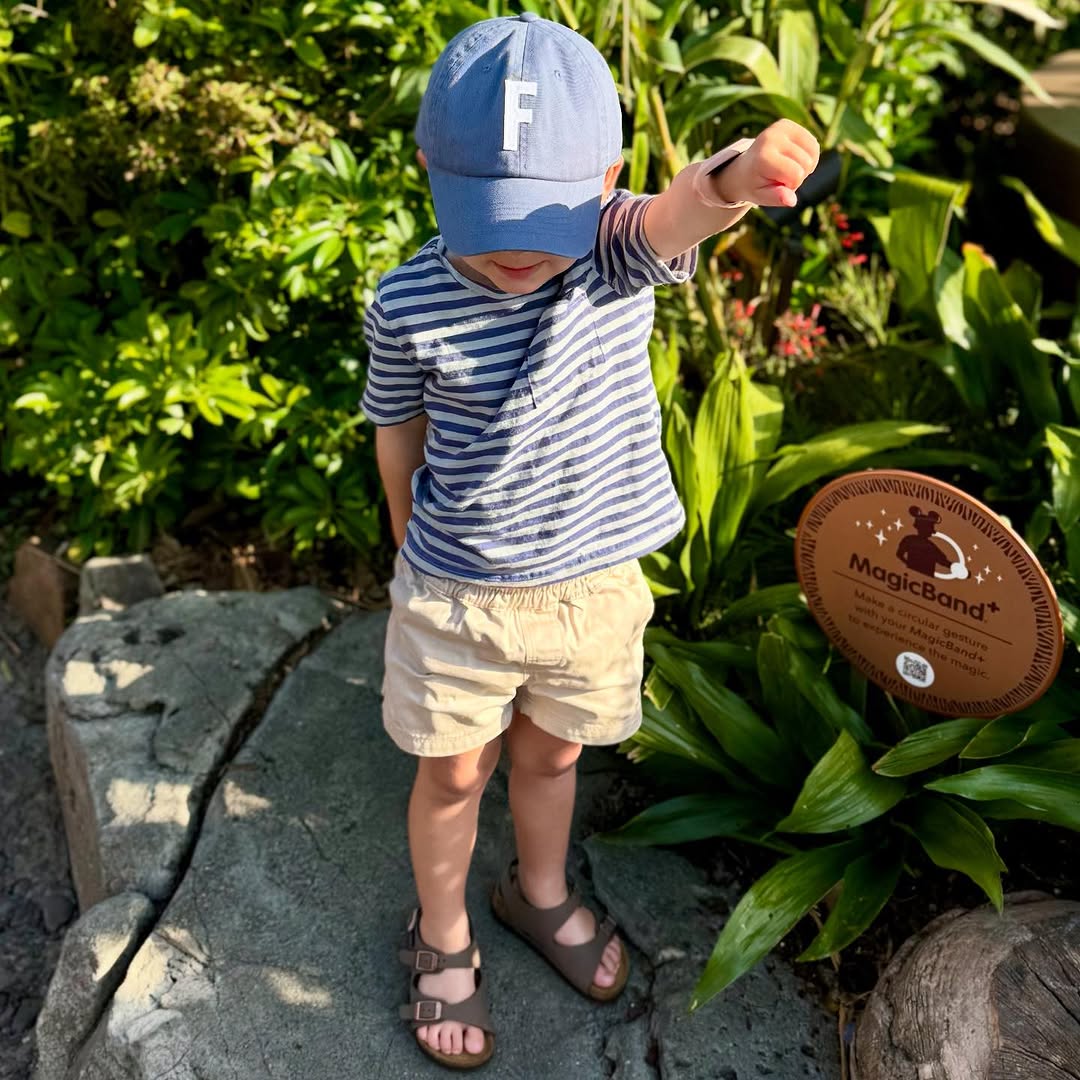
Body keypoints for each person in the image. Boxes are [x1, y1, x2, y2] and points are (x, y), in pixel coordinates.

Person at [360, 12, 819, 1069]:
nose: (520, 247)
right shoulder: (407, 298)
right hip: (459, 596)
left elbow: (684, 211)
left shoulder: (607, 250)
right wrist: (403, 541)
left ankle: (539, 891)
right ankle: (442, 933)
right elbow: (398, 424)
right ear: (430, 168)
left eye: (544, 215)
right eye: (490, 216)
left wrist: (742, 172)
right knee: (452, 775)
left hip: (593, 590)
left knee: (555, 753)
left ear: (604, 176)